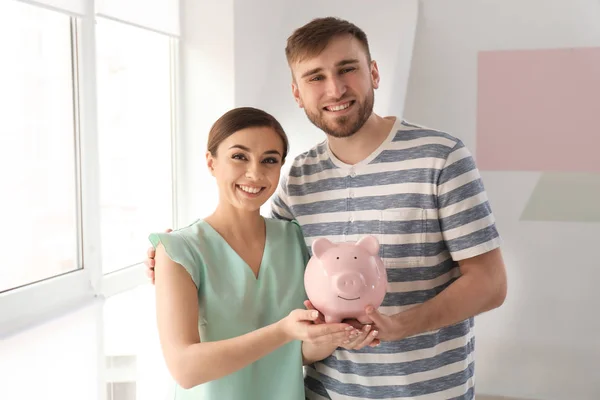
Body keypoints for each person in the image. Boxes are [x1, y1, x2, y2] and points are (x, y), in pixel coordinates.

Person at [147, 18, 507, 400]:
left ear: (373, 72)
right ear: (297, 93)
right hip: (324, 392)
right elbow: (257, 250)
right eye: (315, 77)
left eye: (347, 69)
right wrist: (176, 252)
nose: (335, 89)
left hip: (427, 391)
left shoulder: (441, 158)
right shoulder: (300, 175)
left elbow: (490, 284)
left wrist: (398, 326)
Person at [147, 106, 378, 400]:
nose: (255, 173)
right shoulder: (177, 251)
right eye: (239, 157)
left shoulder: (295, 240)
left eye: (269, 160)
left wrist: (338, 336)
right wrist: (283, 331)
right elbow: (185, 369)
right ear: (211, 162)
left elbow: (295, 355)